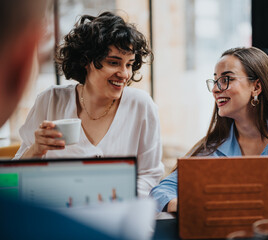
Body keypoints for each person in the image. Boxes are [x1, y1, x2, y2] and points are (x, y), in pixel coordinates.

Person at [150, 47, 268, 212]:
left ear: (257, 86)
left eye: (226, 79)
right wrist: (185, 205)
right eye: (215, 81)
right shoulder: (214, 147)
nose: (215, 89)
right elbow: (161, 191)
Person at [13, 11, 164, 197]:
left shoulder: (141, 106)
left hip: (119, 220)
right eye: (114, 62)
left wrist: (118, 201)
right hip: (60, 219)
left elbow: (150, 175)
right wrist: (36, 149)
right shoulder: (50, 100)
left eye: (129, 64)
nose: (124, 74)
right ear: (86, 61)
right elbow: (12, 178)